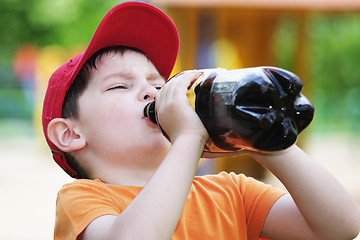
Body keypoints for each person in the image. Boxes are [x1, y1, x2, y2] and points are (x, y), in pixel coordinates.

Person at [42, 1, 360, 240]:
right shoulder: (82, 200)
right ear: (70, 134)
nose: (151, 93)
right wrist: (188, 140)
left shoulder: (230, 192)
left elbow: (339, 227)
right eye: (120, 85)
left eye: (158, 84)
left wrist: (264, 139)